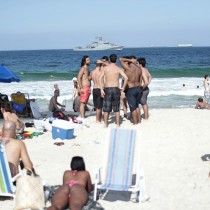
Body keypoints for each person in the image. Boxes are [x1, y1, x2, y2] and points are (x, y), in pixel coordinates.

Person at [100, 54, 128, 127]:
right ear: (116, 60)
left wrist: (101, 89)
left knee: (106, 108)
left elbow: (100, 79)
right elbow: (126, 78)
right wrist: (123, 87)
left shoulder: (105, 68)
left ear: (109, 59)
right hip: (116, 88)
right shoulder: (118, 68)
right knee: (117, 108)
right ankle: (118, 124)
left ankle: (106, 124)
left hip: (107, 88)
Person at [119, 56, 142, 124]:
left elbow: (120, 59)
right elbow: (140, 81)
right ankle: (139, 121)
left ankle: (135, 122)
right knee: (137, 106)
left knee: (133, 108)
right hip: (138, 89)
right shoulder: (139, 68)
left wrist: (131, 60)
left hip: (131, 90)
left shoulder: (128, 68)